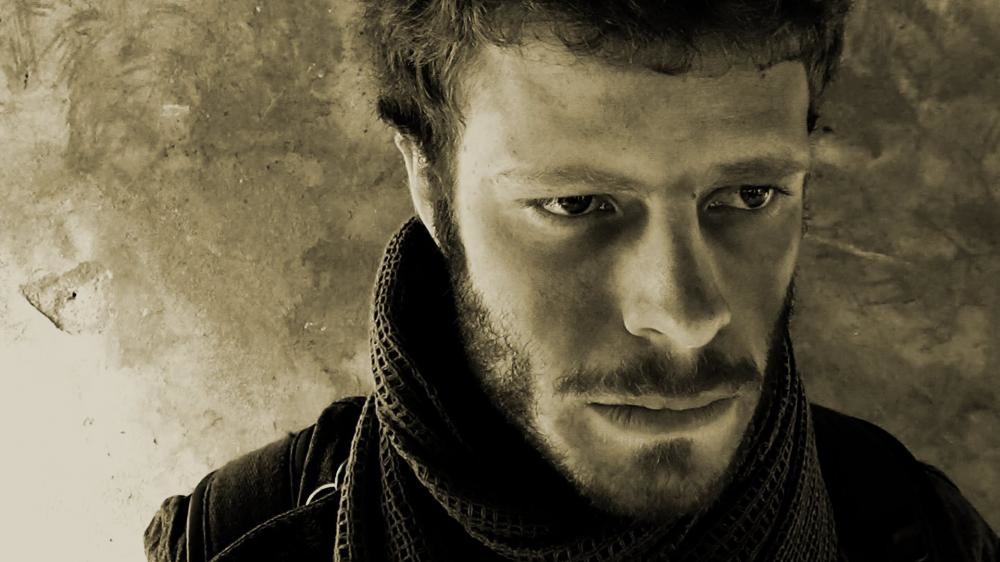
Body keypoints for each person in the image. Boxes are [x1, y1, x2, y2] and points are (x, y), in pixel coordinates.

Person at [145, 1, 998, 560]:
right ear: (429, 183)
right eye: (577, 203)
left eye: (748, 196)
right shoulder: (233, 537)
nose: (684, 314)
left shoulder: (916, 529)